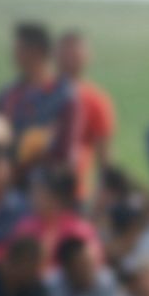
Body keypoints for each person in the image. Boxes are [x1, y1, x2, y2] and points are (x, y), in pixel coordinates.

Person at [0, 21, 74, 177]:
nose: (14, 54)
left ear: (36, 52)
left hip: (44, 184)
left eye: (19, 49)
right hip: (4, 183)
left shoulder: (63, 96)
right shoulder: (7, 95)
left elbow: (66, 152)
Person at [56, 30, 116, 200]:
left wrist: (104, 192)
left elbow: (104, 153)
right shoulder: (42, 93)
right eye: (65, 53)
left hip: (76, 190)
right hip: (38, 189)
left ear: (87, 57)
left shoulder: (96, 99)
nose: (69, 60)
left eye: (75, 54)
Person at [10, 164, 102, 271]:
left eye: (39, 191)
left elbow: (92, 267)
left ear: (56, 197)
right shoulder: (26, 226)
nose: (33, 196)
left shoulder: (79, 231)